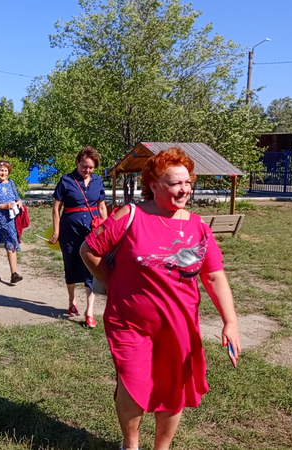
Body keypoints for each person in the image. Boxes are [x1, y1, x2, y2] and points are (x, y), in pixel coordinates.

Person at [80, 147, 241, 450]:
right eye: (176, 183)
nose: (184, 189)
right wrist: (113, 283)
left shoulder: (198, 227)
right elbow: (89, 250)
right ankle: (131, 444)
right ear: (154, 185)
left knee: (173, 389)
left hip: (180, 325)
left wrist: (230, 322)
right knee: (133, 384)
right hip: (130, 322)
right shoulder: (131, 215)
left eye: (188, 182)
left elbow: (214, 276)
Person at [49, 145, 108, 328]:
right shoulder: (66, 180)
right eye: (84, 166)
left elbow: (102, 207)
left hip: (92, 230)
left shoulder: (98, 181)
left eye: (91, 167)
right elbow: (56, 208)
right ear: (77, 162)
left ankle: (89, 312)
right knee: (71, 264)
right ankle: (72, 301)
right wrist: (56, 231)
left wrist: (107, 230)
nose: (87, 170)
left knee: (91, 267)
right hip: (69, 230)